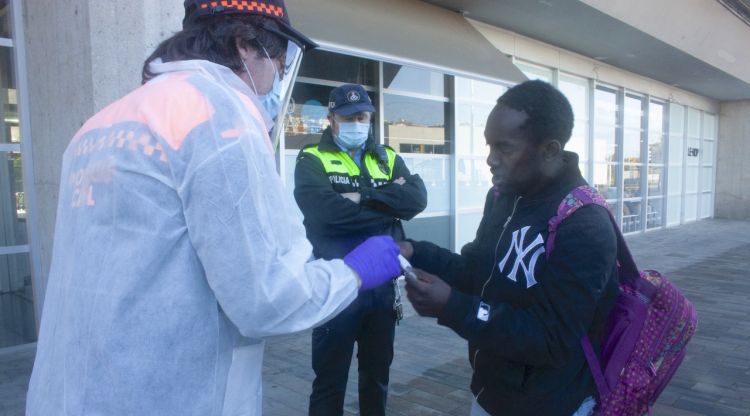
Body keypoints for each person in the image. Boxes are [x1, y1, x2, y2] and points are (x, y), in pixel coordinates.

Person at [25, 2, 402, 415]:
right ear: (244, 44)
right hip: (169, 397)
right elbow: (267, 299)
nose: (275, 74)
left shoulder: (101, 124)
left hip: (72, 395)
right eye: (277, 58)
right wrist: (352, 273)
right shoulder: (219, 118)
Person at [401, 80, 620, 416]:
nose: (490, 160)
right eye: (489, 146)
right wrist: (415, 252)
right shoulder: (503, 197)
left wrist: (453, 306)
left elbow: (551, 340)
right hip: (491, 392)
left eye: (504, 148)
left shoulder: (585, 224)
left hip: (550, 405)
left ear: (549, 150)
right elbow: (475, 272)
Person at [294, 84, 427, 415]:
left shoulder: (388, 157)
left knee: (377, 379)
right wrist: (386, 201)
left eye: (363, 116)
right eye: (349, 116)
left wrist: (361, 197)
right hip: (335, 284)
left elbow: (416, 199)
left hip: (381, 288)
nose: (357, 121)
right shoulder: (311, 157)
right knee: (329, 382)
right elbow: (323, 213)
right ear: (332, 118)